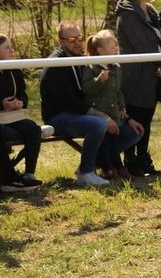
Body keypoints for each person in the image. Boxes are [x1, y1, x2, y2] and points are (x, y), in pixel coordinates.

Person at [40, 23, 143, 187]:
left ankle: (100, 162)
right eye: (72, 39)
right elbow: (70, 102)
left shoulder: (83, 60)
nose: (78, 42)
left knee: (133, 132)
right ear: (61, 41)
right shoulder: (55, 64)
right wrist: (102, 116)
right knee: (98, 124)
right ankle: (86, 171)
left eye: (79, 38)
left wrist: (127, 117)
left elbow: (109, 92)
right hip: (59, 116)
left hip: (83, 113)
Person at [115, 0, 161, 176]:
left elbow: (158, 41)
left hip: (151, 73)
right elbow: (143, 45)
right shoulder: (127, 14)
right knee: (135, 116)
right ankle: (130, 160)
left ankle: (143, 158)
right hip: (135, 75)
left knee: (146, 118)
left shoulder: (149, 11)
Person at [81, 29, 143, 180]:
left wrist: (122, 107)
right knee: (105, 139)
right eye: (111, 47)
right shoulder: (91, 67)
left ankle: (116, 166)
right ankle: (110, 168)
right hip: (99, 111)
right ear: (101, 51)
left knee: (114, 139)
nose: (116, 49)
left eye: (116, 46)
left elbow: (118, 91)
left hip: (114, 111)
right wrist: (98, 81)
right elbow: (87, 90)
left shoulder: (116, 67)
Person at [0, 34, 45, 185]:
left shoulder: (14, 69)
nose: (12, 51)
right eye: (7, 48)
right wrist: (1, 104)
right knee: (2, 134)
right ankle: (7, 176)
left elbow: (23, 93)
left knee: (33, 129)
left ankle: (29, 174)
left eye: (11, 47)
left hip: (14, 117)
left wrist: (21, 102)